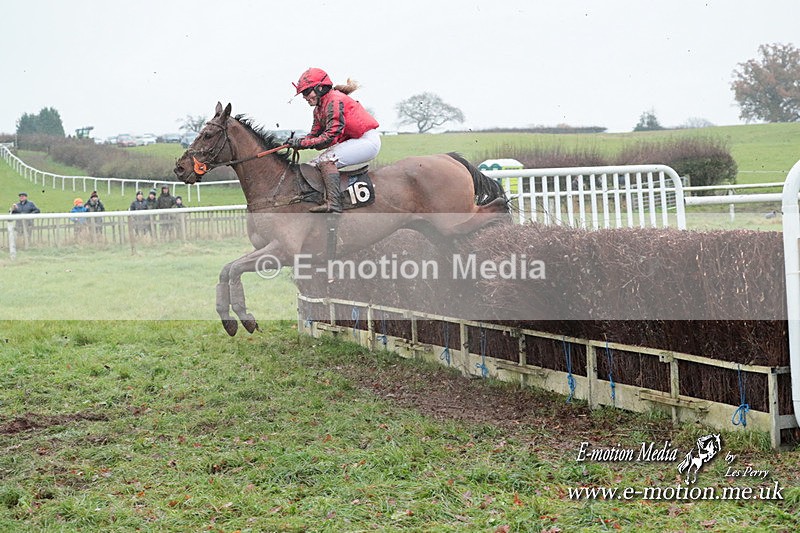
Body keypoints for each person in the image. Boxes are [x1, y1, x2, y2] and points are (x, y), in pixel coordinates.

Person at [286, 68, 380, 213]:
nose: (304, 97)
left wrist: (303, 143)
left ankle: (334, 204)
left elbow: (329, 137)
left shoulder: (334, 100)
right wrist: (297, 142)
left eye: (306, 92)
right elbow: (314, 136)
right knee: (312, 165)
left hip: (366, 141)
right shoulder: (318, 110)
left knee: (325, 161)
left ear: (320, 88)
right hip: (355, 141)